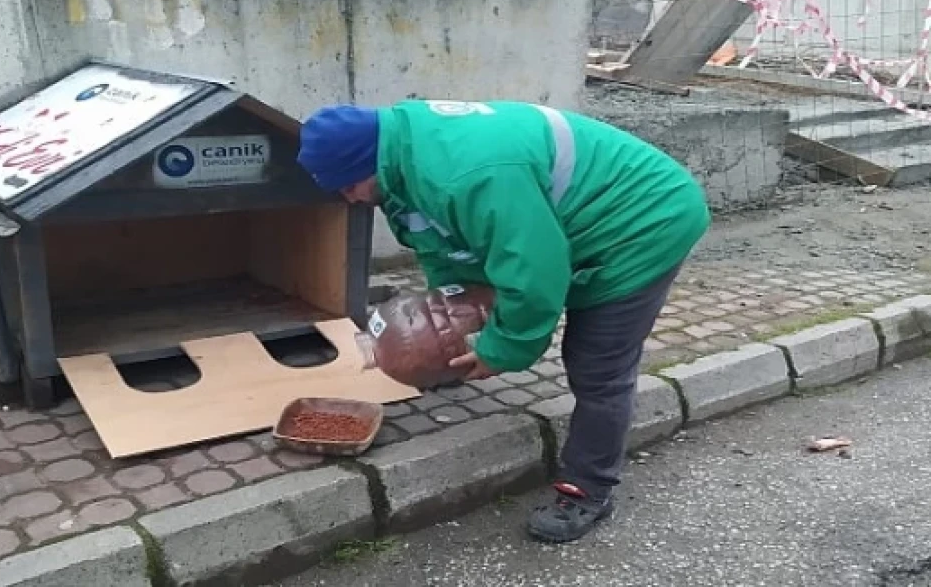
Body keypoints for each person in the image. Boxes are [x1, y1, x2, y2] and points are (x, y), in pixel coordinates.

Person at [295, 99, 710, 544]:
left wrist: (505, 348)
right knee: (519, 296)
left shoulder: (467, 172)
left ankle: (588, 488)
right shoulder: (401, 163)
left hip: (643, 222)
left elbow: (534, 271)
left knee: (597, 365)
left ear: (367, 162)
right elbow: (443, 249)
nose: (349, 199)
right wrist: (451, 319)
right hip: (569, 225)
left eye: (347, 187)